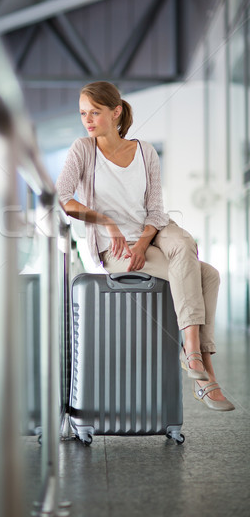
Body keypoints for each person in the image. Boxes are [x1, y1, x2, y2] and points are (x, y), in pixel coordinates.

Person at [56, 80, 235, 412]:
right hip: (115, 249)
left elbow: (155, 208)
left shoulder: (145, 150)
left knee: (186, 247)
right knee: (206, 275)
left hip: (152, 234)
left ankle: (192, 351)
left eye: (95, 112)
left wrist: (143, 241)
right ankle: (204, 374)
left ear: (116, 111)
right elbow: (64, 199)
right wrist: (107, 223)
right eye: (83, 113)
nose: (88, 120)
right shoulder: (83, 148)